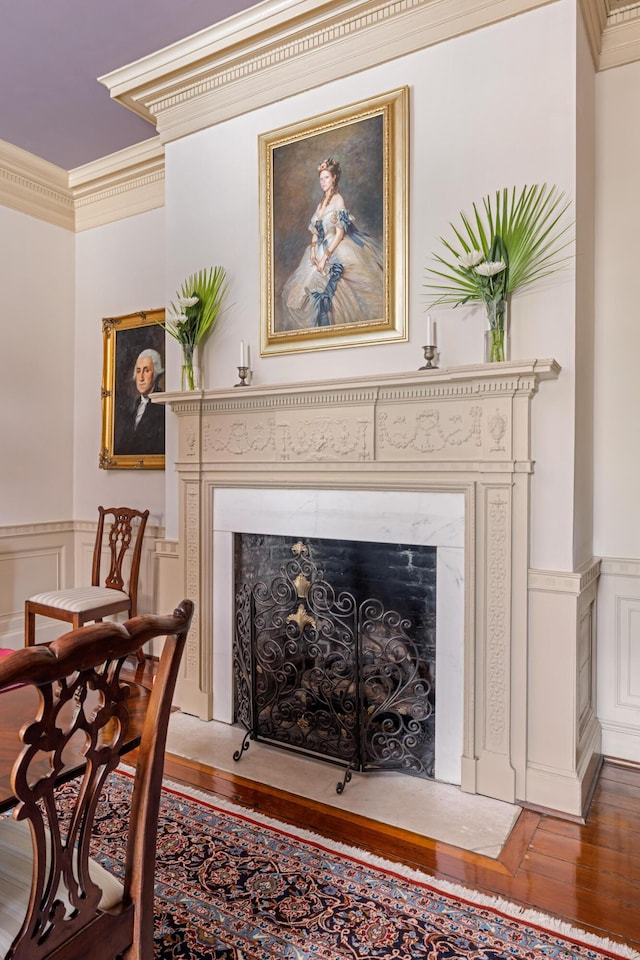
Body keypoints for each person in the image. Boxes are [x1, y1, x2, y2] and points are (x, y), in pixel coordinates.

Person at [280, 157, 384, 331]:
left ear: (334, 178)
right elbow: (315, 231)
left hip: (335, 246)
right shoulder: (320, 204)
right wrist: (313, 252)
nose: (323, 182)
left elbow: (340, 233)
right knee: (302, 289)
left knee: (334, 285)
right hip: (319, 248)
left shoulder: (338, 200)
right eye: (321, 178)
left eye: (326, 177)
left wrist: (325, 256)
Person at [114, 348, 165, 456]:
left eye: (146, 370)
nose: (141, 378)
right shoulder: (133, 407)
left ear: (155, 374)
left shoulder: (162, 405)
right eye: (138, 371)